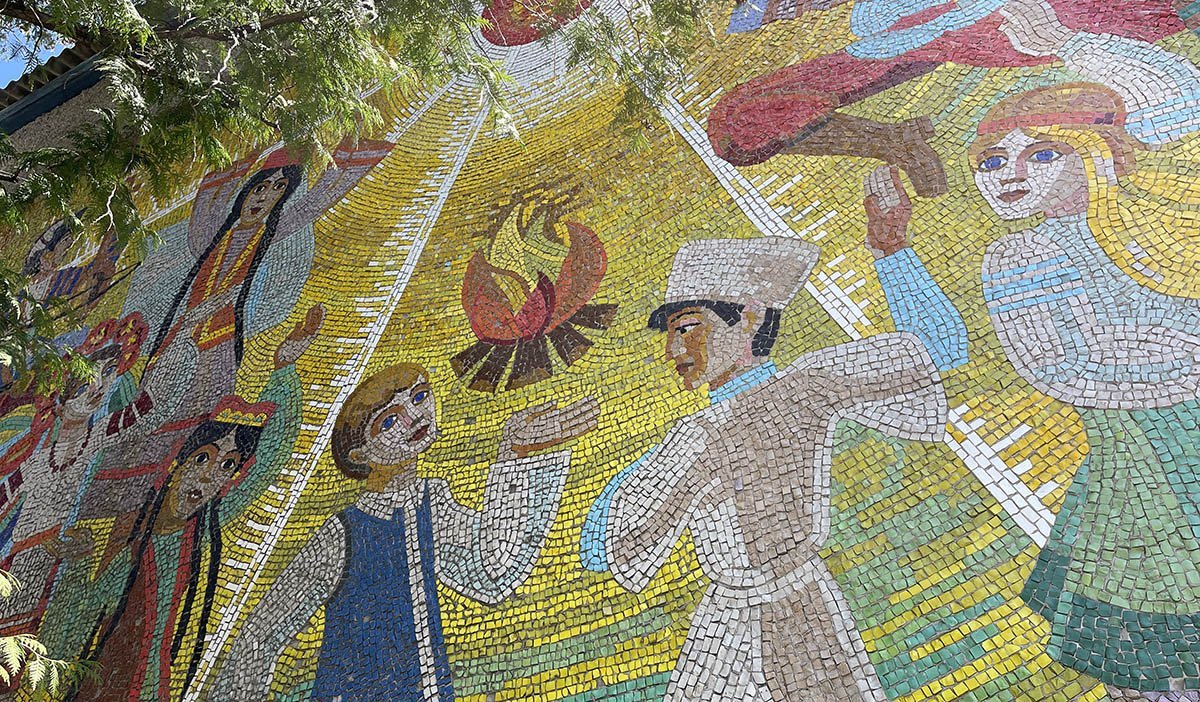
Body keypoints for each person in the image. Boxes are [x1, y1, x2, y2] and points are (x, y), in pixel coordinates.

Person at [865, 81, 1200, 699]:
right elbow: (1052, 365)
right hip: (1136, 447)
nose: (1007, 176)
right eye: (991, 162)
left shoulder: (1160, 225)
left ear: (1095, 153)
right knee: (1151, 612)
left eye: (1038, 154)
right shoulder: (1016, 257)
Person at [580, 236, 948, 701]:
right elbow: (606, 546)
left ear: (750, 319)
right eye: (671, 334)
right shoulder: (696, 434)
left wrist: (893, 253)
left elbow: (931, 354)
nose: (675, 350)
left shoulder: (804, 387)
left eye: (689, 327)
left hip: (795, 610)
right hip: (729, 625)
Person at [210, 364, 598, 701]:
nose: (415, 417)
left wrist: (513, 454)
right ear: (362, 455)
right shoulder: (343, 532)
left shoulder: (432, 502)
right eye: (390, 420)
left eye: (419, 397)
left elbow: (492, 571)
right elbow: (261, 634)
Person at [52, 309, 321, 702]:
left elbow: (268, 460)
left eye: (227, 467)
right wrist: (77, 563)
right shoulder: (132, 537)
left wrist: (284, 371)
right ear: (178, 462)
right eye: (203, 458)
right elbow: (77, 623)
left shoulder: (199, 528)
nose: (211, 476)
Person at [708, 0, 1200, 198]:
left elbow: (1172, 111)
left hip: (1005, 27)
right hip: (945, 29)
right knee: (736, 125)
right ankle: (893, 141)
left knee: (738, 123)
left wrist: (1065, 44)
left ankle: (894, 141)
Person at [129, 139, 392, 466]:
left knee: (197, 417)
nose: (265, 196)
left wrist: (347, 158)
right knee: (151, 409)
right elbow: (209, 197)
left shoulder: (271, 231)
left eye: (278, 189)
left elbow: (314, 205)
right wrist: (242, 157)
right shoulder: (211, 232)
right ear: (246, 190)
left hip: (218, 342)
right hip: (179, 335)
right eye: (260, 187)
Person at [0, 314, 145, 641]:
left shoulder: (96, 436)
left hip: (45, 570)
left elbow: (144, 410)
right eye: (85, 383)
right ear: (60, 403)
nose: (97, 388)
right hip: (17, 563)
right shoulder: (39, 459)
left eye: (107, 376)